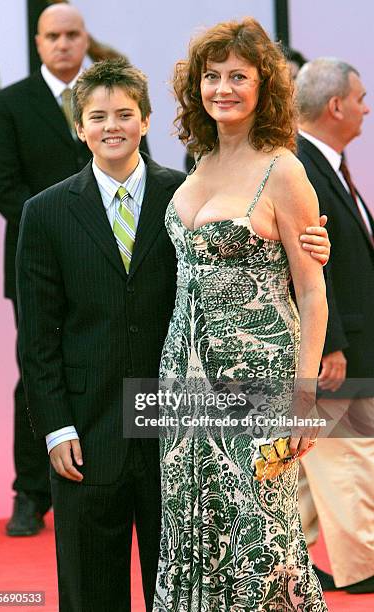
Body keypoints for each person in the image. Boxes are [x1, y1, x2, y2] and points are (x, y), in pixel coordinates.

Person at [152, 18, 328, 610]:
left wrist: (303, 399)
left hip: (258, 376)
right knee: (188, 522)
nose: (222, 88)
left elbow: (312, 291)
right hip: (184, 372)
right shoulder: (196, 161)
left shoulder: (284, 169)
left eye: (237, 76)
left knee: (258, 532)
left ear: (264, 88)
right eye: (211, 76)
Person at [16, 58, 184, 612]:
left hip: (173, 429)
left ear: (146, 120)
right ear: (78, 127)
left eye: (125, 114)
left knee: (179, 592)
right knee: (90, 594)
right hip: (86, 433)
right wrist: (55, 427)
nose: (112, 126)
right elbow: (37, 336)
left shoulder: (184, 197)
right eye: (98, 116)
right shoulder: (44, 214)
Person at [0, 3, 148, 536]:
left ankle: (128, 465)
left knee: (118, 354)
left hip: (122, 262)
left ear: (84, 39)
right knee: (40, 366)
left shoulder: (116, 100)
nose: (62, 44)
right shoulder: (10, 104)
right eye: (52, 35)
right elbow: (6, 188)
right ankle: (30, 492)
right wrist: (64, 236)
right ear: (37, 42)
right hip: (40, 259)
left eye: (72, 34)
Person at [296, 57, 374, 594]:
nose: (367, 108)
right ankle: (361, 569)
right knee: (347, 454)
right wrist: (330, 344)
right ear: (336, 106)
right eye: (362, 97)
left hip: (341, 342)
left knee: (302, 464)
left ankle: (283, 564)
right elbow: (306, 268)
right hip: (333, 349)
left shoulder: (324, 162)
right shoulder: (300, 166)